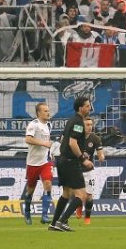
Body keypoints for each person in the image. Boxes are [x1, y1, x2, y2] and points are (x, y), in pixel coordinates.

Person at [48, 95, 94, 232]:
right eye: (87, 106)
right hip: (70, 162)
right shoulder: (78, 122)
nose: (90, 107)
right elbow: (72, 143)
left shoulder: (71, 120)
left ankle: (54, 223)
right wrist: (83, 159)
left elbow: (63, 139)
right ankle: (62, 221)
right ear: (81, 108)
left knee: (66, 193)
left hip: (62, 160)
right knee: (82, 195)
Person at [21, 102, 54, 225]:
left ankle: (45, 215)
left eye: (48, 110)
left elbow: (47, 142)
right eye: (45, 111)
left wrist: (51, 150)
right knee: (30, 190)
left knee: (48, 183)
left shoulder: (49, 125)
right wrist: (43, 143)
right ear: (39, 113)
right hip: (32, 163)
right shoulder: (33, 124)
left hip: (46, 161)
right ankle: (28, 212)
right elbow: (28, 139)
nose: (48, 112)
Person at [73, 115, 105, 225]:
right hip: (76, 170)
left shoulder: (95, 138)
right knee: (78, 195)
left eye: (91, 125)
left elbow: (100, 153)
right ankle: (78, 206)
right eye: (87, 125)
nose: (90, 127)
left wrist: (101, 157)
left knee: (89, 196)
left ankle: (87, 217)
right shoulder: (75, 138)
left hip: (89, 171)